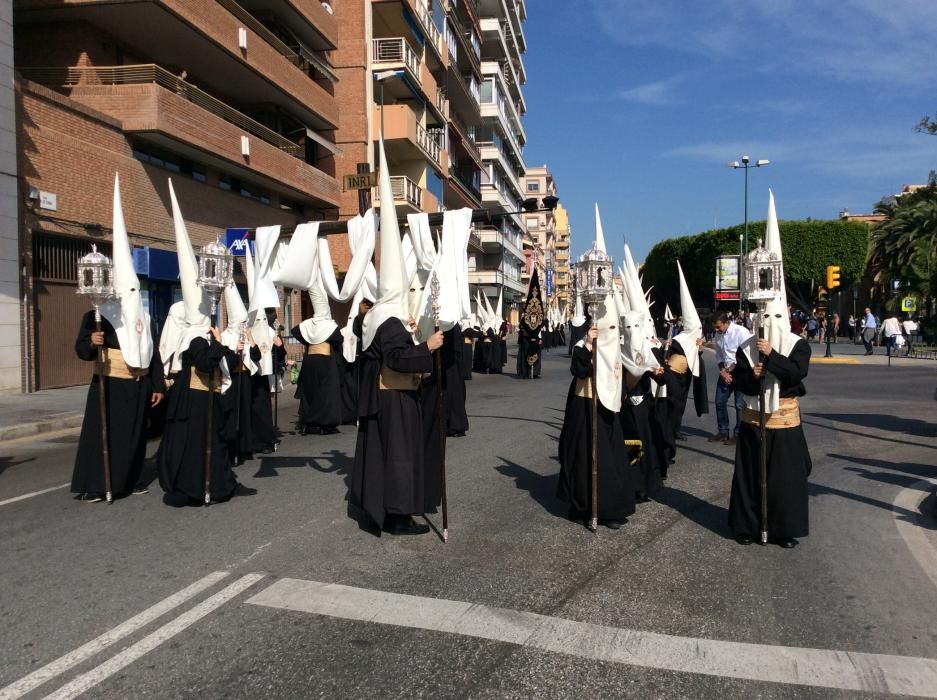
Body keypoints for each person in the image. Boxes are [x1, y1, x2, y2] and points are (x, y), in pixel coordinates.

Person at [350, 136, 445, 536]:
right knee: (400, 458)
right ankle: (398, 513)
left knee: (390, 456)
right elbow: (395, 359)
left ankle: (392, 508)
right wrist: (427, 346)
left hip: (390, 398)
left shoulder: (381, 317)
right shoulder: (387, 318)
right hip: (395, 398)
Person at [157, 180, 255, 505]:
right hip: (193, 397)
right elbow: (203, 360)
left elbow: (216, 356)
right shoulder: (193, 333)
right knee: (195, 443)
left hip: (206, 396)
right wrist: (218, 345)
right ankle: (195, 487)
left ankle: (214, 483)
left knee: (211, 441)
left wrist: (222, 344)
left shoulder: (205, 327)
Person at [72, 174, 165, 502]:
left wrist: (157, 385)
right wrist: (92, 343)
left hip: (137, 386)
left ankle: (129, 480)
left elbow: (151, 352)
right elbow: (81, 348)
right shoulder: (96, 316)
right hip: (109, 385)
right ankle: (99, 483)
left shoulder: (144, 317)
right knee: (104, 436)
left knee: (135, 437)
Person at [729, 191, 811, 548]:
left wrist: (772, 356)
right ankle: (748, 526)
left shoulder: (797, 344)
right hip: (753, 420)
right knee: (751, 476)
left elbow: (796, 374)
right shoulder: (749, 345)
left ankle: (783, 529)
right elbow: (742, 380)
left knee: (784, 480)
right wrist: (755, 372)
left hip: (785, 422)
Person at [620, 310, 665, 502]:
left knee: (647, 444)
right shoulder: (620, 351)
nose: (632, 331)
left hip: (644, 406)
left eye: (636, 326)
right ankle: (634, 485)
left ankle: (647, 485)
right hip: (627, 407)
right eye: (628, 327)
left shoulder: (650, 349)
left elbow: (660, 377)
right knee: (631, 446)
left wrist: (659, 372)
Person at [292, 278, 343, 435]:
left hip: (309, 362)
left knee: (310, 392)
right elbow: (338, 340)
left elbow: (295, 332)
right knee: (326, 394)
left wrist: (310, 339)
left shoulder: (308, 324)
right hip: (326, 363)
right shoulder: (330, 326)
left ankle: (308, 421)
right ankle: (324, 423)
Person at [709, 313, 751, 446]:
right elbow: (719, 356)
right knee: (719, 402)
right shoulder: (718, 335)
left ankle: (738, 434)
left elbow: (746, 354)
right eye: (715, 327)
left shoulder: (741, 332)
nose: (717, 330)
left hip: (740, 373)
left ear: (726, 322)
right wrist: (723, 371)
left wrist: (730, 371)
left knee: (739, 405)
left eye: (719, 327)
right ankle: (723, 431)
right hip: (726, 372)